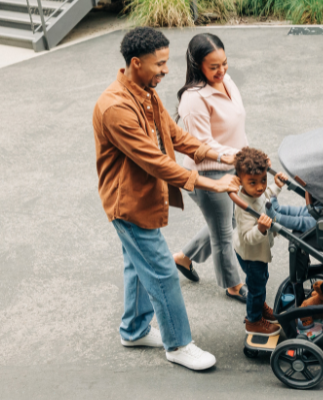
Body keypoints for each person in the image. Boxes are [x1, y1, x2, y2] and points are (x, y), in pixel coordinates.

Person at [93, 27, 239, 371]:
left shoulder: (146, 92)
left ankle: (133, 329)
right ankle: (178, 344)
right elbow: (154, 160)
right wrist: (208, 183)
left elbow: (176, 137)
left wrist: (221, 155)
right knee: (161, 273)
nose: (166, 69)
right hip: (128, 206)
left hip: (143, 200)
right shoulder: (115, 107)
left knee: (136, 266)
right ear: (136, 63)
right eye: (159, 63)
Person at [171, 33, 249, 303]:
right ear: (197, 66)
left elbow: (237, 124)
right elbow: (201, 145)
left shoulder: (226, 81)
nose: (222, 70)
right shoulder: (193, 100)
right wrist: (237, 156)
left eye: (224, 63)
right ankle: (233, 285)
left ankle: (183, 257)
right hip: (208, 172)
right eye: (213, 67)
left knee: (226, 222)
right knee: (224, 233)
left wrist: (247, 156)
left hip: (234, 164)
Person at [231, 147, 294, 336]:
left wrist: (276, 186)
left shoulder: (257, 192)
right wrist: (260, 229)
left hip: (259, 252)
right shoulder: (243, 207)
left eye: (263, 180)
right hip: (251, 254)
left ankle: (258, 305)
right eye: (253, 182)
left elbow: (266, 195)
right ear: (240, 181)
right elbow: (247, 238)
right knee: (257, 286)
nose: (260, 187)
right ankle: (253, 320)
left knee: (261, 280)